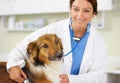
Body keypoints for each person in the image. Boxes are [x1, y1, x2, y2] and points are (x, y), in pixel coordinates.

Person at [7, 0, 106, 83]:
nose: (80, 15)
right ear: (70, 10)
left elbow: (97, 74)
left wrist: (71, 80)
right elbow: (23, 47)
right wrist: (12, 66)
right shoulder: (55, 29)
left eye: (86, 11)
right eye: (76, 9)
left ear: (94, 14)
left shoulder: (98, 40)